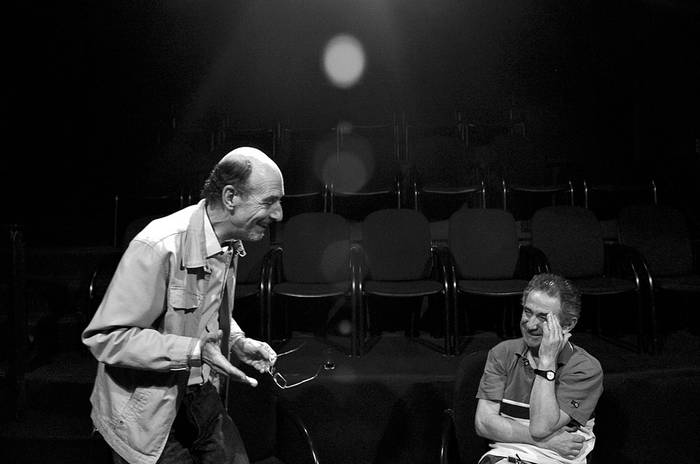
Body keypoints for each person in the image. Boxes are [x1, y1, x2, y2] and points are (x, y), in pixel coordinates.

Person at [82, 147, 284, 464]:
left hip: (199, 393)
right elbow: (107, 338)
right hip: (145, 408)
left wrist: (237, 341)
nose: (278, 214)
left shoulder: (228, 244)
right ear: (231, 197)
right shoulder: (158, 245)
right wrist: (196, 351)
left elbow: (207, 316)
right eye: (270, 201)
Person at [474, 273, 603, 464]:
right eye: (527, 312)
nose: (530, 324)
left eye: (543, 317)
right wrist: (547, 442)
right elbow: (484, 424)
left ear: (567, 324)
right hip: (507, 455)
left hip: (559, 459)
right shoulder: (502, 353)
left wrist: (547, 361)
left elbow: (540, 427)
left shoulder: (585, 369)